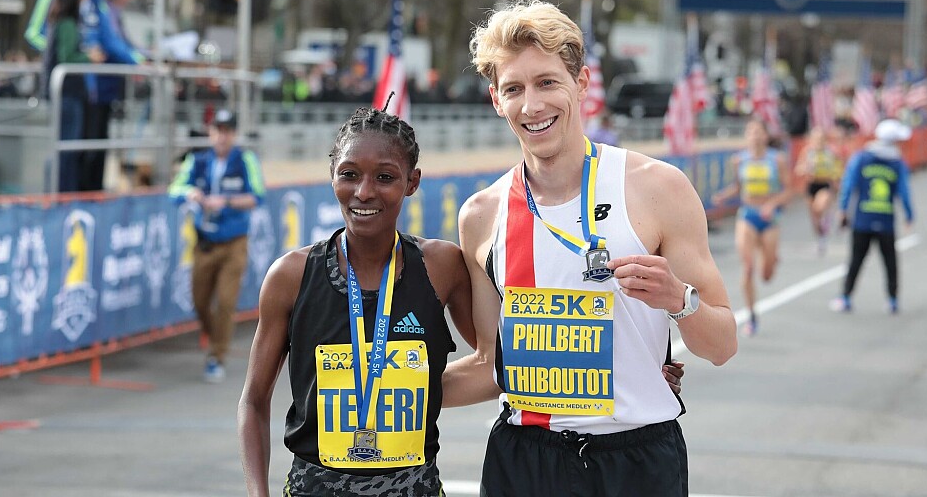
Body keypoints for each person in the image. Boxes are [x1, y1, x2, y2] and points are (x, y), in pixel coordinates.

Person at [236, 99, 687, 496]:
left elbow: (505, 360)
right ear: (332, 176)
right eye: (349, 175)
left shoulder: (441, 266)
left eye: (385, 177)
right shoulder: (291, 276)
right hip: (315, 486)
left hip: (414, 488)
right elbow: (254, 400)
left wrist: (631, 372)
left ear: (412, 182)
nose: (364, 191)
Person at [443, 0, 736, 497]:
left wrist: (678, 300)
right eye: (514, 89)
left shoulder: (657, 188)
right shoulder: (481, 216)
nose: (532, 106)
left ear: (581, 84)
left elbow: (723, 345)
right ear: (496, 99)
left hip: (637, 459)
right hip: (525, 458)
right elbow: (491, 368)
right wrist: (384, 392)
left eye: (547, 82)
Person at [168, 109, 265, 382]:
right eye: (218, 130)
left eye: (227, 131)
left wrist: (227, 202)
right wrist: (191, 193)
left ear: (233, 134)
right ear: (210, 133)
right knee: (199, 301)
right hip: (204, 243)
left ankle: (216, 356)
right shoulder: (197, 160)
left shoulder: (245, 159)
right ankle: (217, 338)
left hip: (234, 243)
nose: (222, 136)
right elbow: (174, 190)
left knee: (225, 302)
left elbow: (257, 196)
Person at [712, 118, 793, 336]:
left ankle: (771, 258)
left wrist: (772, 204)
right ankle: (752, 316)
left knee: (766, 275)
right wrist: (723, 196)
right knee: (748, 268)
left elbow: (788, 190)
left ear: (766, 136)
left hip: (769, 219)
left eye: (759, 132)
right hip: (747, 215)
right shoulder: (740, 160)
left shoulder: (777, 159)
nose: (755, 136)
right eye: (751, 132)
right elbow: (738, 187)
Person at [830, 118, 914, 314]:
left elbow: (848, 185)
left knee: (856, 260)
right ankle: (892, 300)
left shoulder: (861, 157)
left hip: (863, 219)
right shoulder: (897, 163)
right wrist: (909, 214)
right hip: (885, 221)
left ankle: (845, 297)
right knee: (890, 262)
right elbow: (904, 191)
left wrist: (843, 209)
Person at [81, 0, 146, 192]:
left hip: (102, 89)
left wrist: (139, 58)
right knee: (85, 145)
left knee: (97, 143)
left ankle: (92, 190)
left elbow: (117, 41)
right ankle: (83, 191)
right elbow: (109, 42)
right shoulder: (86, 1)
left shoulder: (99, 3)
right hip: (88, 87)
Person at [45, 0, 106, 193]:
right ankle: (61, 195)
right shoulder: (67, 23)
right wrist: (90, 57)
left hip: (67, 94)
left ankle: (61, 193)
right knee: (66, 149)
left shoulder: (62, 21)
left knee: (65, 148)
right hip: (68, 94)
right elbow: (67, 57)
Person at [795, 126, 843, 256]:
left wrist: (837, 178)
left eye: (821, 138)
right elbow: (798, 168)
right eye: (816, 139)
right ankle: (821, 239)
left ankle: (828, 217)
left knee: (819, 206)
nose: (819, 141)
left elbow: (840, 167)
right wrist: (805, 168)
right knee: (814, 218)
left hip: (825, 185)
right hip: (812, 185)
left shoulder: (831, 152)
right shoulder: (808, 152)